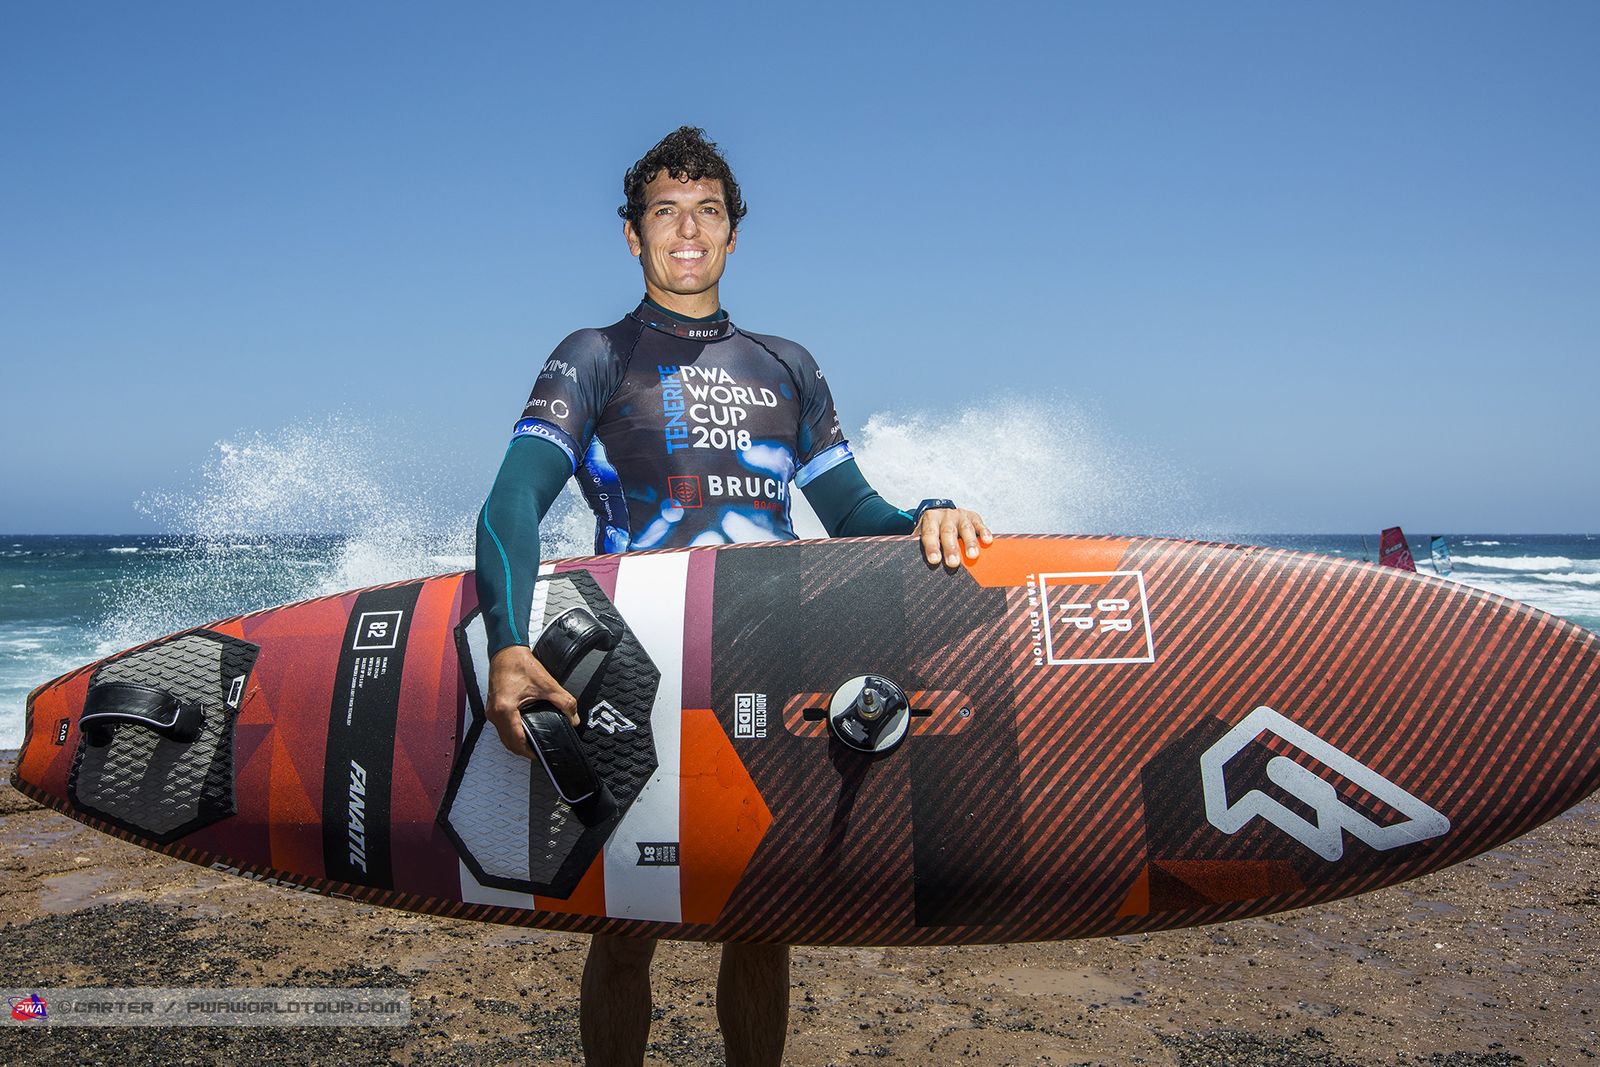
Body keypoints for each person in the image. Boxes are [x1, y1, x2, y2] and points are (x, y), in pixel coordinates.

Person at [474, 126, 992, 1067]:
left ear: (733, 235)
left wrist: (928, 513)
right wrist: (510, 640)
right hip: (633, 658)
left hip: (771, 651)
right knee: (621, 921)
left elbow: (851, 510)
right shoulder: (594, 355)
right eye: (665, 212)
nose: (687, 230)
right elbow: (514, 498)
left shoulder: (786, 365)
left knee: (762, 915)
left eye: (707, 211)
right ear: (632, 236)